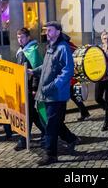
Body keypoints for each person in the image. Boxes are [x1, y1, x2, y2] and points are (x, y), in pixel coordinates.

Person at [32, 21, 79, 166]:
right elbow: (46, 66)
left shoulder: (63, 47)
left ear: (58, 31)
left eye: (50, 30)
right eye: (46, 30)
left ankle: (51, 155)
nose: (47, 33)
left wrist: (53, 86)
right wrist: (33, 71)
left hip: (56, 95)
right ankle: (71, 139)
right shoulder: (51, 46)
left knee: (51, 125)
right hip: (47, 93)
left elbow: (68, 71)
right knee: (52, 122)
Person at [14, 28, 45, 151]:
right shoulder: (21, 51)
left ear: (28, 37)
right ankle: (46, 132)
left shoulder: (33, 50)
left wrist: (34, 88)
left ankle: (23, 139)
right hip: (22, 87)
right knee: (31, 114)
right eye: (18, 37)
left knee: (27, 114)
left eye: (21, 37)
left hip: (30, 88)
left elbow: (37, 70)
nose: (19, 40)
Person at [63, 33, 90, 121]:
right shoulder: (71, 46)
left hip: (70, 77)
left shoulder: (67, 48)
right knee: (73, 96)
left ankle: (61, 118)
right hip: (71, 76)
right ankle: (84, 112)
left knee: (66, 97)